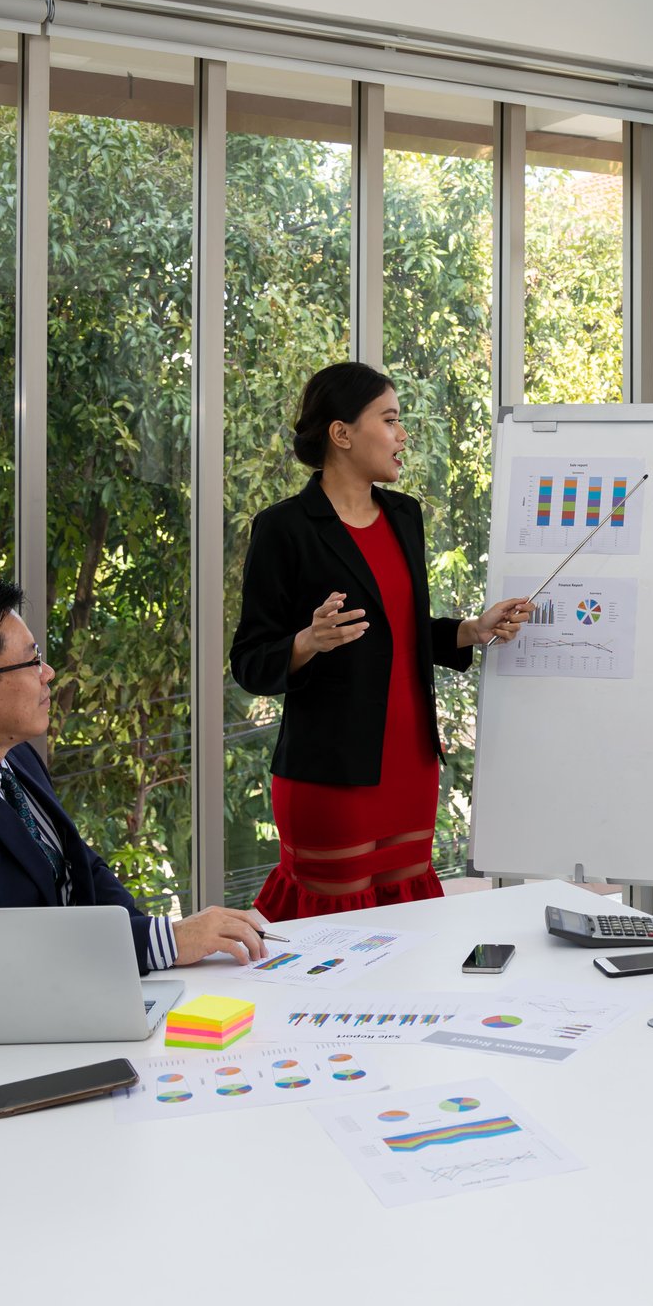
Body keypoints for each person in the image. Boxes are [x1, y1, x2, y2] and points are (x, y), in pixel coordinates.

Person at [0, 579, 267, 972]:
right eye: (31, 661)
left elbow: (79, 867)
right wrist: (163, 943)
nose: (47, 674)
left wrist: (156, 947)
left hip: (81, 989)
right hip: (1, 1032)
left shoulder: (16, 758)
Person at [230, 361, 528, 918]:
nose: (402, 435)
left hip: (410, 765)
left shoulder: (403, 515)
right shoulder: (284, 529)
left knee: (404, 931)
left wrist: (471, 630)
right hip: (331, 774)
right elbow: (249, 662)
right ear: (341, 434)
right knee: (336, 943)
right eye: (389, 420)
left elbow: (402, 629)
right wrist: (307, 642)